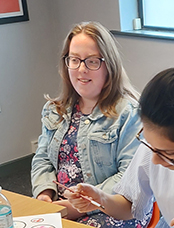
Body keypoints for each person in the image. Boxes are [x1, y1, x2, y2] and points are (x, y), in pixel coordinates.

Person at [64, 53, 174, 228]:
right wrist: (101, 199)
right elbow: (130, 204)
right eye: (149, 144)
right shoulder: (156, 147)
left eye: (169, 153)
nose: (154, 159)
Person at [30, 21, 149, 227]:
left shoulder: (129, 113)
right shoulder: (54, 109)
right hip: (61, 205)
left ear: (108, 65)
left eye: (92, 61)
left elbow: (128, 179)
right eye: (74, 60)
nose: (81, 69)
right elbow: (43, 160)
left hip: (109, 208)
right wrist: (44, 195)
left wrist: (76, 206)